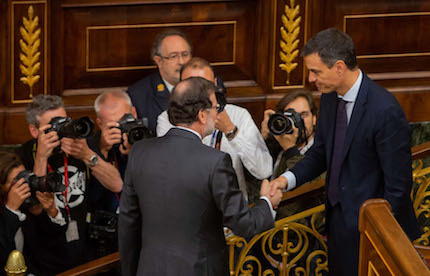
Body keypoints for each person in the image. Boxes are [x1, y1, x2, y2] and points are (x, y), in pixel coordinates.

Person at [269, 28, 420, 276]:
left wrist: (377, 234)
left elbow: (398, 187)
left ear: (339, 67)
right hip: (338, 225)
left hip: (375, 233)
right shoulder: (329, 97)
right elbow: (320, 153)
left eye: (316, 71)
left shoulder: (384, 110)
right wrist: (286, 180)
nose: (310, 79)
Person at [119, 77, 282, 276]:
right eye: (215, 107)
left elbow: (128, 223)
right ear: (202, 116)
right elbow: (244, 224)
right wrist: (267, 203)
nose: (218, 113)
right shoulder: (215, 161)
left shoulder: (139, 152)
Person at [15, 94, 122, 275]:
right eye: (55, 125)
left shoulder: (80, 145)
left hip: (84, 251)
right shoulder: (23, 155)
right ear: (34, 131)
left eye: (64, 121)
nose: (63, 130)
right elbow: (35, 204)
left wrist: (87, 155)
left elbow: (117, 184)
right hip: (44, 256)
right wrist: (42, 156)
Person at [157, 57, 273, 201]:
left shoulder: (238, 115)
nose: (199, 95)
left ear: (215, 85)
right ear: (181, 88)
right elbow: (172, 170)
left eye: (205, 86)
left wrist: (231, 131)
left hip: (231, 210)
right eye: (192, 86)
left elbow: (264, 170)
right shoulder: (167, 119)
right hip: (190, 209)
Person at [127, 29, 192, 132]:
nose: (181, 62)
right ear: (159, 61)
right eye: (174, 56)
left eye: (185, 55)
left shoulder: (206, 84)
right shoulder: (138, 95)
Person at [261, 90, 318, 179]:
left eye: (303, 115)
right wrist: (263, 140)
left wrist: (290, 150)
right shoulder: (278, 144)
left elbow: (310, 185)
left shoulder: (321, 149)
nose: (298, 120)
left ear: (314, 119)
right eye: (292, 115)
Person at [0, 150, 31, 272]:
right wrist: (11, 211)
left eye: (24, 177)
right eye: (16, 182)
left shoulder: (26, 206)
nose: (24, 185)